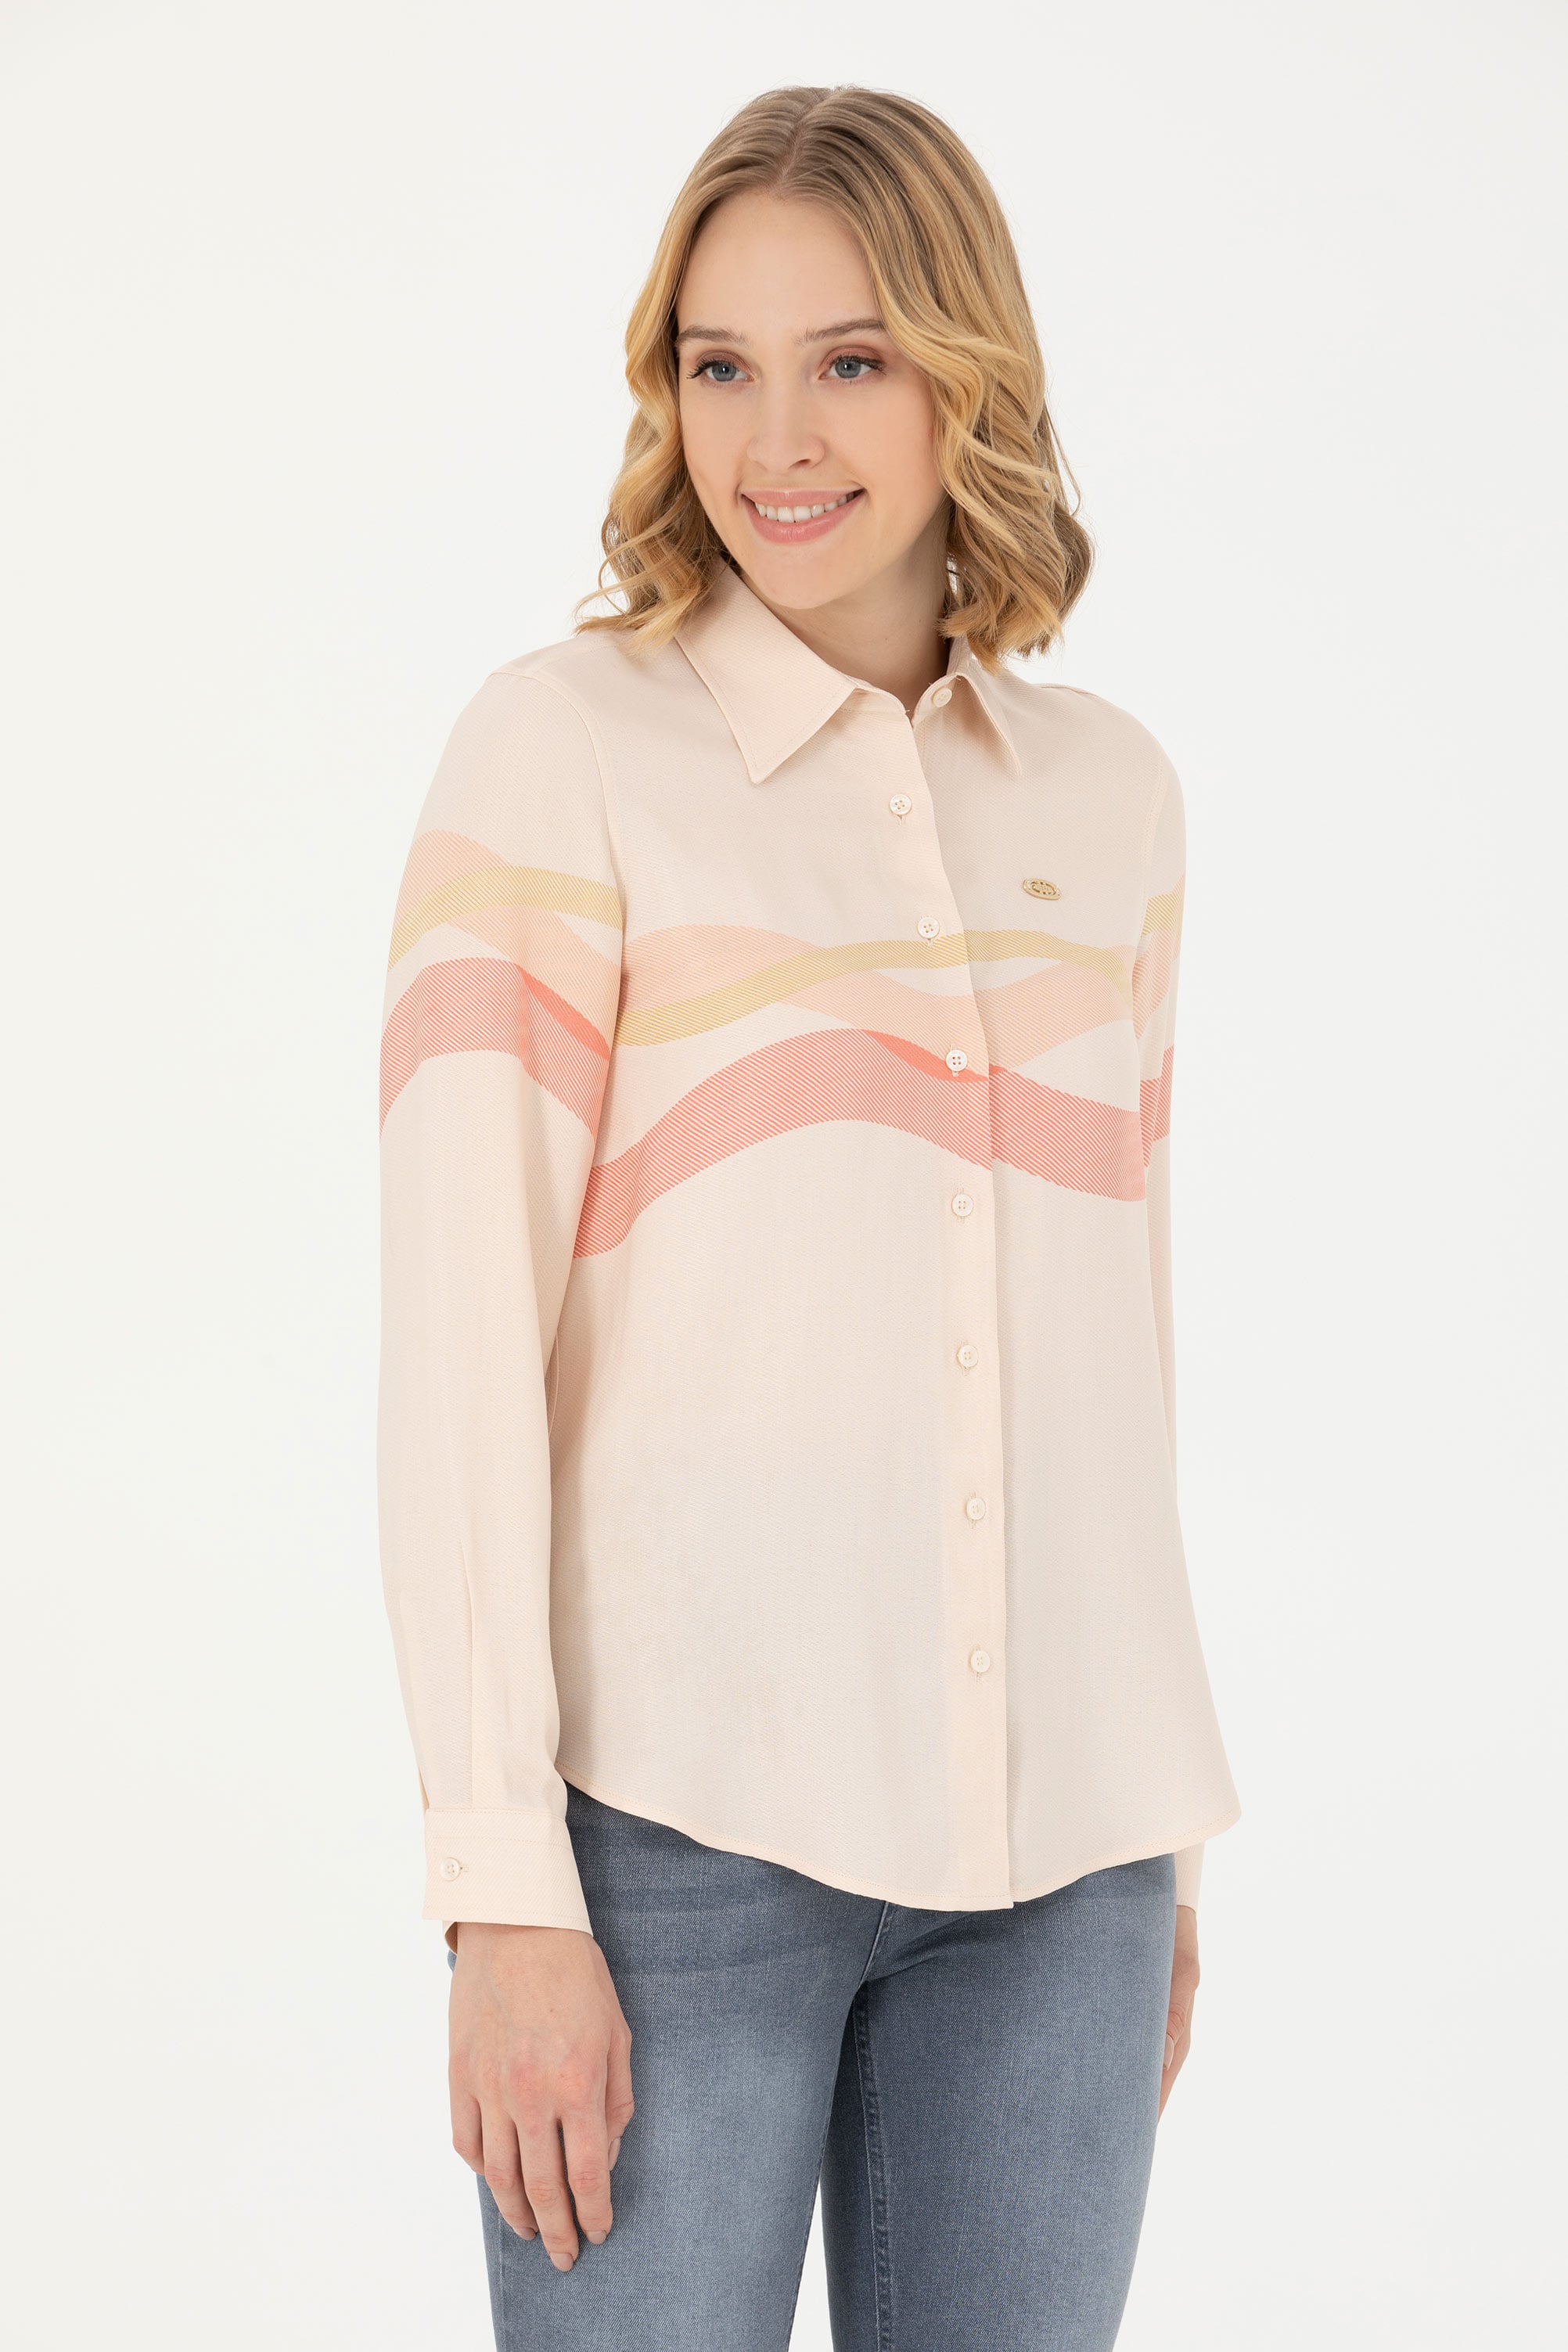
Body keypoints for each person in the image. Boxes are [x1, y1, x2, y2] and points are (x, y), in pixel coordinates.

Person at [377, 81, 1241, 2352]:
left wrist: (1150, 1833)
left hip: (1063, 1869)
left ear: (967, 372)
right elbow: (458, 1347)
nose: (777, 437)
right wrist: (498, 1890)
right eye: (720, 361)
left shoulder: (1110, 799)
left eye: (851, 358)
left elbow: (1116, 1343)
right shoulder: (560, 752)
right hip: (670, 1854)